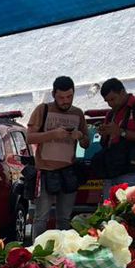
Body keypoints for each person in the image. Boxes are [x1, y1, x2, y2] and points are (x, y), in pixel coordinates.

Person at [25, 76, 88, 232]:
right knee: (41, 218)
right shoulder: (43, 109)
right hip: (45, 171)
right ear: (54, 95)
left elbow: (86, 143)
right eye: (61, 97)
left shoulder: (78, 113)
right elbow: (29, 138)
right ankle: (38, 246)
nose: (65, 101)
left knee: (65, 219)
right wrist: (52, 134)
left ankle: (63, 247)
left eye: (69, 97)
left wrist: (80, 136)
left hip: (68, 171)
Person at [97, 78, 135, 200]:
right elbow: (105, 143)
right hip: (111, 172)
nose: (110, 104)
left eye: (113, 99)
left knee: (129, 208)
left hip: (133, 171)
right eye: (107, 101)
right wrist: (104, 133)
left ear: (122, 92)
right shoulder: (110, 114)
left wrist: (121, 132)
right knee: (108, 209)